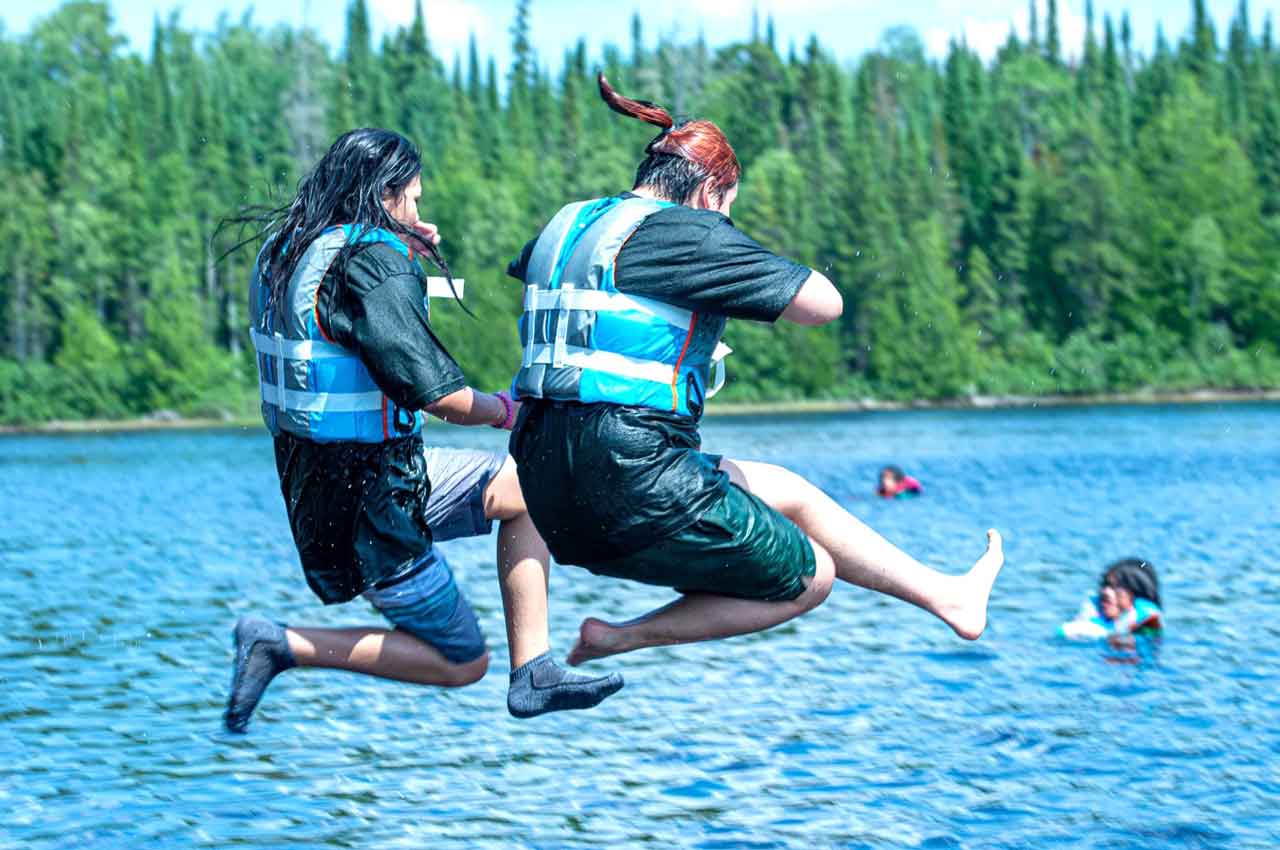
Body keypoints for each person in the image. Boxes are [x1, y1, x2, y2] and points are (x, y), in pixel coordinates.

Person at [499, 76, 1006, 673]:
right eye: (729, 204)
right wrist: (726, 250)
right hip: (632, 485)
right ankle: (623, 638)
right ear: (712, 190)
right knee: (811, 577)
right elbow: (825, 303)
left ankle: (947, 597)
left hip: (548, 493)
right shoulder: (689, 230)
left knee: (790, 492)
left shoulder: (570, 225)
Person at [222, 129, 621, 732]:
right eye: (412, 198)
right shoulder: (371, 262)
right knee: (460, 661)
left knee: (528, 485)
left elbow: (346, 318)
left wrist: (400, 247)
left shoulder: (288, 252)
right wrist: (506, 409)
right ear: (383, 195)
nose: (418, 211)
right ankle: (282, 644)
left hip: (327, 492)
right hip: (377, 512)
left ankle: (534, 667)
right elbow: (442, 396)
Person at [1059, 558, 1163, 641]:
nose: (1106, 592)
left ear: (1135, 595)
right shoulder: (1092, 621)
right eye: (1105, 586)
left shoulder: (1147, 629)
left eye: (1116, 587)